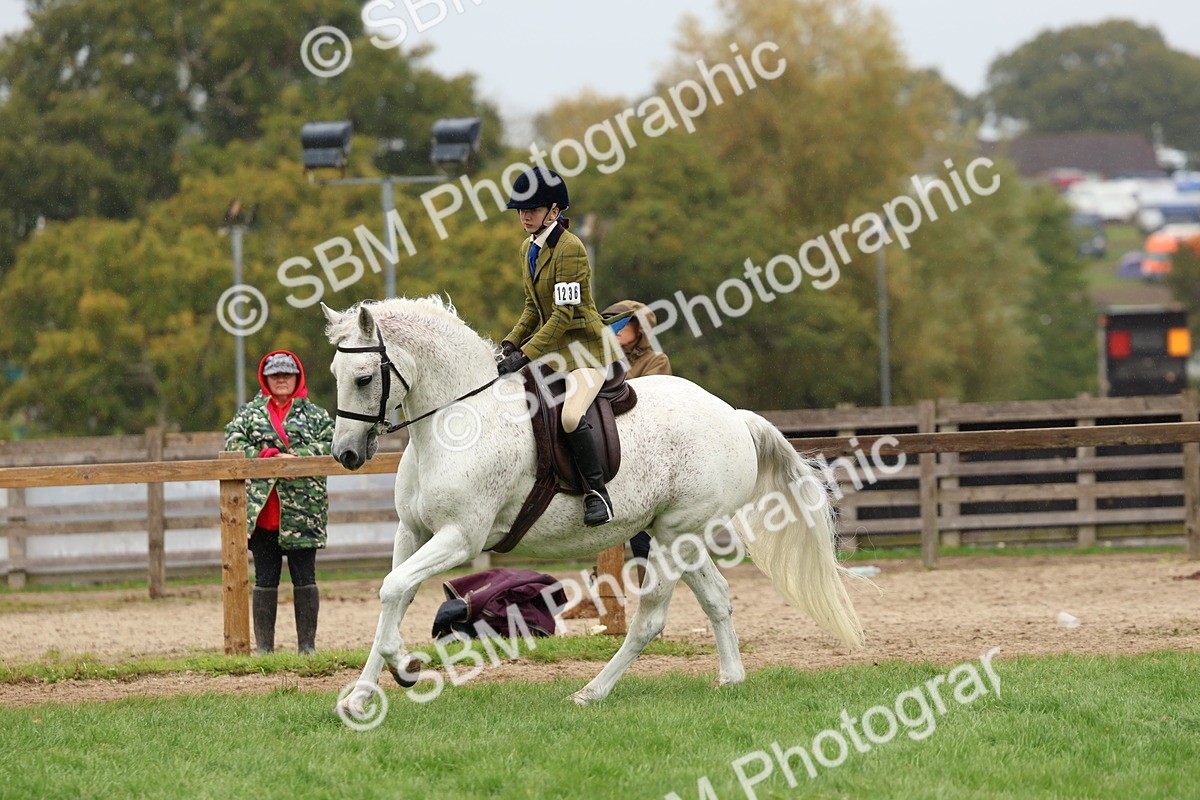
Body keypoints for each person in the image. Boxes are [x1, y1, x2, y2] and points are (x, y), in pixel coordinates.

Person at [497, 167, 622, 527]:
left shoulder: (571, 249)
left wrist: (525, 355)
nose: (524, 216)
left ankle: (597, 494)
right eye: (521, 210)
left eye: (532, 210)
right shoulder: (528, 249)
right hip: (552, 352)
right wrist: (508, 344)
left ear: (554, 211)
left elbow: (564, 315)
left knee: (569, 416)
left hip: (585, 351)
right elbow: (532, 310)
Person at [224, 350, 334, 655]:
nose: (282, 379)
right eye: (275, 375)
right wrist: (268, 457)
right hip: (263, 512)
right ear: (265, 378)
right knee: (265, 578)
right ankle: (265, 649)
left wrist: (296, 459)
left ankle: (307, 647)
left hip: (303, 512)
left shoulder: (316, 415)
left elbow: (332, 445)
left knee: (305, 578)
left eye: (287, 374)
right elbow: (233, 442)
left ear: (298, 377)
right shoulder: (249, 414)